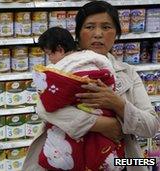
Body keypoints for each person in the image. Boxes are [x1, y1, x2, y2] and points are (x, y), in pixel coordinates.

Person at [23, 1, 160, 171]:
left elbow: (152, 126)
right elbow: (43, 108)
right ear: (78, 34)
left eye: (106, 27)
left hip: (120, 161)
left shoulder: (128, 73)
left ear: (116, 33)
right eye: (89, 27)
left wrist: (116, 103)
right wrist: (104, 125)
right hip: (64, 160)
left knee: (145, 163)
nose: (98, 34)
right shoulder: (60, 69)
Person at [33, 26, 124, 171]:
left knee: (67, 150)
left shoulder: (58, 69)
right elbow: (111, 79)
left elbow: (46, 102)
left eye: (49, 54)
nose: (49, 59)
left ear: (60, 49)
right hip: (104, 119)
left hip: (75, 123)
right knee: (101, 150)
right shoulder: (96, 58)